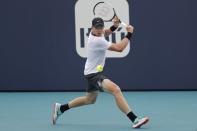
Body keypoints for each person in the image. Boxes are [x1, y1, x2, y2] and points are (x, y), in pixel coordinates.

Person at [52, 17, 149, 128]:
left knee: (89, 100)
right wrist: (129, 34)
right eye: (96, 28)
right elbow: (119, 48)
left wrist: (115, 26)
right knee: (116, 89)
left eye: (101, 27)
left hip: (89, 72)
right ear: (92, 27)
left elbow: (105, 32)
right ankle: (135, 119)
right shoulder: (96, 41)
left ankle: (60, 108)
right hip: (93, 75)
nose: (99, 30)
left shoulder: (97, 33)